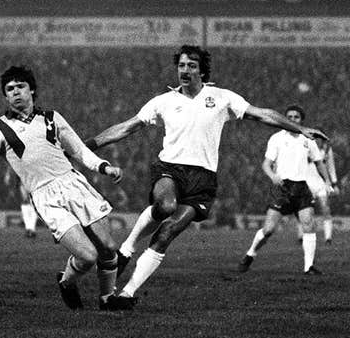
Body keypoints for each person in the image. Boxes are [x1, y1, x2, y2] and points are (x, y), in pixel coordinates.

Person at [84, 46, 327, 303]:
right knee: (166, 205)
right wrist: (89, 145)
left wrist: (299, 129)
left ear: (201, 70)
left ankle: (127, 293)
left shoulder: (221, 98)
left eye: (191, 66)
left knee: (167, 234)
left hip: (203, 178)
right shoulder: (163, 101)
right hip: (170, 168)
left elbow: (261, 114)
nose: (185, 70)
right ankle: (127, 249)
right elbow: (127, 127)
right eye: (181, 66)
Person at [0, 66, 132, 311]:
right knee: (87, 256)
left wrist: (104, 167)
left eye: (20, 86)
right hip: (45, 197)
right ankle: (66, 281)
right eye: (10, 89)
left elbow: (79, 150)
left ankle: (107, 299)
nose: (16, 92)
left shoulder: (52, 118)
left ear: (32, 90)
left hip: (74, 185)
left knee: (108, 248)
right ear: (5, 96)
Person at [238, 105, 332, 274]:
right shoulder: (276, 138)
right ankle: (250, 253)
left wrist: (327, 181)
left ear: (301, 120)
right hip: (283, 188)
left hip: (302, 187)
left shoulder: (308, 140)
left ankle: (308, 267)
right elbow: (266, 164)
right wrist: (273, 176)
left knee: (309, 225)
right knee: (268, 230)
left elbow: (319, 162)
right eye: (289, 116)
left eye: (296, 117)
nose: (293, 119)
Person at [297, 129, 339, 245]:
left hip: (321, 184)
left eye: (319, 138)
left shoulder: (326, 150)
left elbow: (331, 167)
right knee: (304, 210)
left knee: (325, 209)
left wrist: (333, 183)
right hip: (306, 183)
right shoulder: (305, 149)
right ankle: (301, 236)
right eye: (315, 137)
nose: (317, 140)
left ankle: (328, 238)